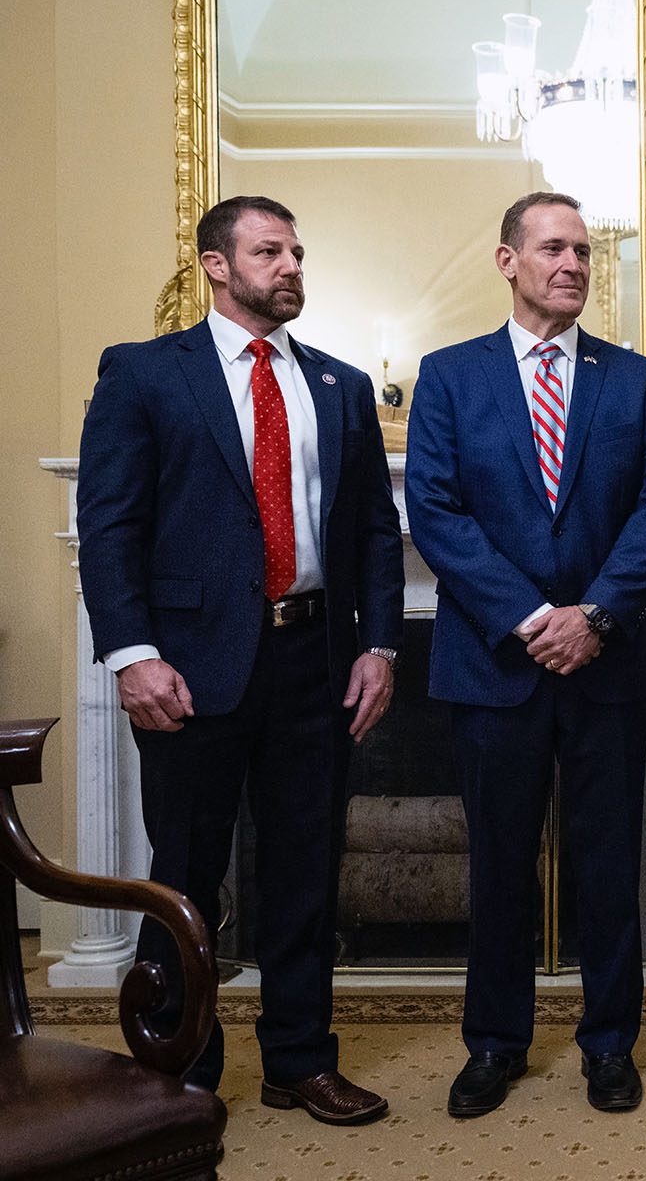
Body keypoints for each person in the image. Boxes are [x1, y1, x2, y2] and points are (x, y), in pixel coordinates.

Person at [76, 194, 404, 1123]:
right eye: (270, 251)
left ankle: (300, 1059)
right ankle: (179, 1066)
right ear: (217, 265)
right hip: (187, 664)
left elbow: (377, 535)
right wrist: (132, 654)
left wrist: (378, 644)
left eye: (298, 251)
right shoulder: (144, 374)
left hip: (315, 660)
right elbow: (108, 527)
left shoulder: (338, 386)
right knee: (183, 869)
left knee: (305, 868)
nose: (291, 266)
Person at [405, 191, 646, 1118]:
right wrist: (531, 617)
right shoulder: (449, 376)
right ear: (508, 261)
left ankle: (610, 1045)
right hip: (493, 667)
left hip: (608, 664)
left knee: (610, 863)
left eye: (584, 251)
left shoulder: (636, 380)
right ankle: (495, 1043)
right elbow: (435, 513)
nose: (572, 264)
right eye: (553, 248)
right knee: (498, 865)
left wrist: (594, 615)